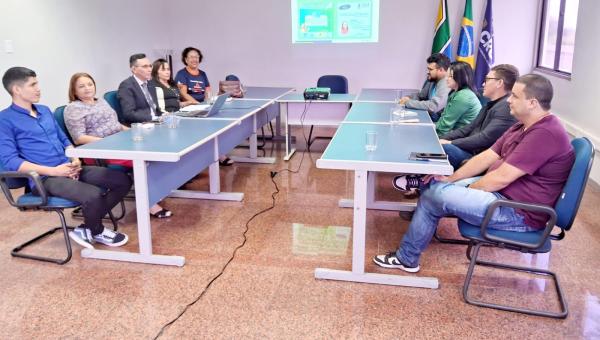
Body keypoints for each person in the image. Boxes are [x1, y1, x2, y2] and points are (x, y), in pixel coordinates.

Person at [376, 74, 574, 273]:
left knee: (434, 194)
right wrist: (449, 179)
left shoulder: (545, 133)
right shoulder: (521, 126)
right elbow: (488, 155)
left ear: (532, 103)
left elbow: (500, 178)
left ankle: (407, 258)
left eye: (514, 96)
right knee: (435, 187)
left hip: (516, 212)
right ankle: (409, 252)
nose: (509, 100)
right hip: (502, 196)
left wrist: (463, 189)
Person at [0, 67, 131, 249]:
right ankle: (96, 230)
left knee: (121, 180)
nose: (39, 88)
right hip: (44, 178)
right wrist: (54, 171)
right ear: (17, 90)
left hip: (68, 167)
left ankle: (86, 228)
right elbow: (11, 161)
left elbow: (64, 139)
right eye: (33, 84)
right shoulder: (5, 119)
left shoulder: (44, 111)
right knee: (93, 194)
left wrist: (74, 158)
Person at [64, 72, 173, 219]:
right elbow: (79, 138)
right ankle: (149, 204)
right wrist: (108, 142)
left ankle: (153, 192)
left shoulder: (101, 101)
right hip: (98, 151)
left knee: (155, 149)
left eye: (90, 84)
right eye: (81, 86)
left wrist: (134, 131)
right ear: (74, 90)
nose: (87, 88)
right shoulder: (73, 108)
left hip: (119, 143)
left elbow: (116, 125)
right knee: (143, 160)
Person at [440, 64, 519, 169]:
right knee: (439, 144)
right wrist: (441, 138)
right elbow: (469, 128)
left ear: (499, 83)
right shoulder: (492, 103)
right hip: (470, 149)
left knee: (445, 148)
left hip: (477, 157)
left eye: (487, 79)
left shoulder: (505, 107)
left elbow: (484, 139)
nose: (482, 83)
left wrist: (450, 142)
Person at [399, 53, 451, 121]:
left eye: (430, 69)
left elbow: (433, 106)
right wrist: (409, 97)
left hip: (438, 122)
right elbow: (421, 96)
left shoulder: (446, 84)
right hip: (429, 117)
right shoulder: (433, 79)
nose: (427, 72)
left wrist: (408, 103)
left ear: (441, 70)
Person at [434, 61, 481, 136]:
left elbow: (445, 126)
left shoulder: (463, 96)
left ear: (461, 78)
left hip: (462, 138)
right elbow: (444, 119)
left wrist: (431, 136)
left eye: (450, 76)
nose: (446, 79)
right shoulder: (456, 92)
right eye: (447, 75)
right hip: (455, 133)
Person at [118, 53, 160, 124]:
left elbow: (155, 107)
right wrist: (153, 118)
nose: (150, 69)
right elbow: (129, 114)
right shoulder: (126, 86)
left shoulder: (151, 83)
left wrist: (163, 116)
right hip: (142, 124)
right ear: (134, 69)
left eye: (150, 66)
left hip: (157, 121)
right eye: (145, 66)